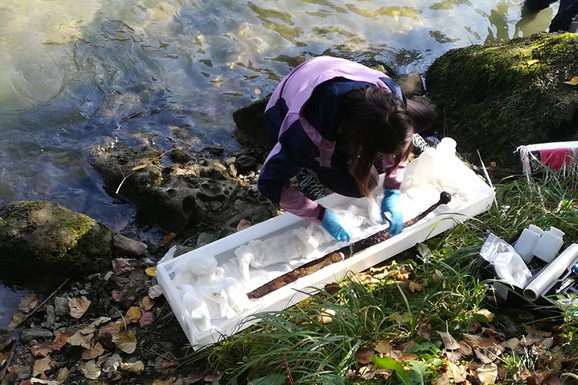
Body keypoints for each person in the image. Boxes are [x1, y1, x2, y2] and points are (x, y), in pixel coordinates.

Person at [257, 56, 435, 242]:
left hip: (327, 71)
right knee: (365, 184)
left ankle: (395, 138)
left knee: (426, 116)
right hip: (286, 104)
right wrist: (319, 215)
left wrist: (392, 188)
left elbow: (392, 134)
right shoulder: (306, 133)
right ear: (355, 140)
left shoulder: (391, 94)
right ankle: (310, 168)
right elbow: (268, 184)